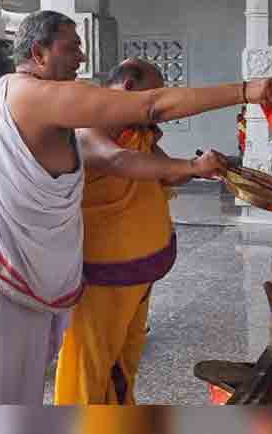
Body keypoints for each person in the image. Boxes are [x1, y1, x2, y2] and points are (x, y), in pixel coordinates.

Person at [0, 10, 272, 405]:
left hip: (6, 260)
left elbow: (137, 150)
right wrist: (247, 90)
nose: (82, 57)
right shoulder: (36, 95)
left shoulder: (17, 96)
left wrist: (193, 169)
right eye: (72, 47)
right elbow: (151, 108)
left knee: (13, 392)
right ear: (39, 53)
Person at [53, 58, 229, 405]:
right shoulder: (88, 123)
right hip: (100, 275)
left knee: (124, 357)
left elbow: (163, 173)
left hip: (138, 272)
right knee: (89, 364)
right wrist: (192, 165)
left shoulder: (137, 130)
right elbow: (115, 160)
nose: (157, 108)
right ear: (130, 88)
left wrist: (201, 170)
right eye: (154, 96)